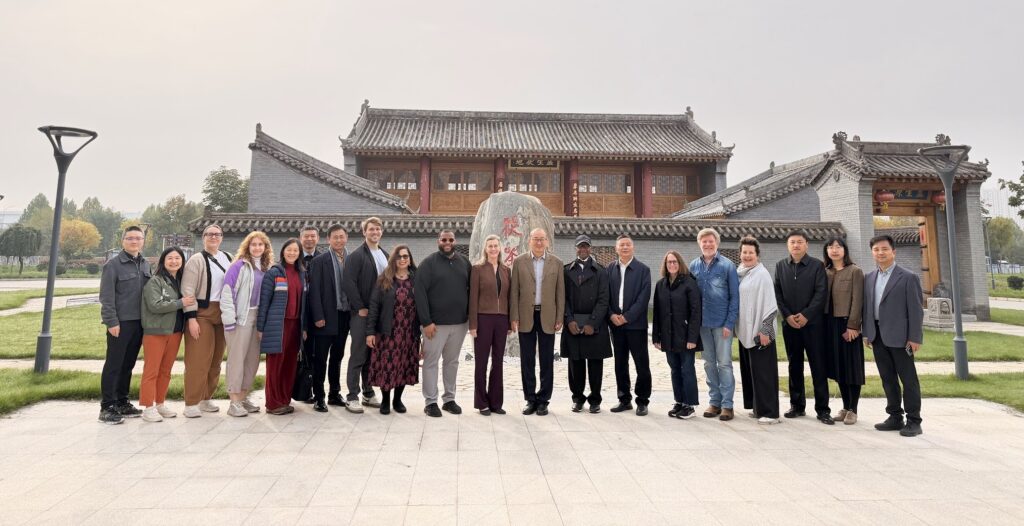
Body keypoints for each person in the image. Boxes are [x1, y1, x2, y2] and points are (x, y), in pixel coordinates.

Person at [862, 234, 924, 437]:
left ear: (893, 252)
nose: (880, 253)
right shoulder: (869, 278)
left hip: (901, 337)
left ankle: (914, 420)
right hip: (877, 335)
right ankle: (895, 416)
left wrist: (915, 337)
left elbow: (916, 310)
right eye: (876, 250)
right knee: (887, 378)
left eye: (884, 249)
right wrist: (866, 333)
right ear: (872, 253)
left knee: (908, 379)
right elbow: (867, 308)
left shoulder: (908, 277)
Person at [774, 229, 833, 424]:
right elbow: (778, 294)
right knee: (794, 365)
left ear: (806, 244)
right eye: (792, 242)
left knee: (818, 366)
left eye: (800, 242)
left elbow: (821, 293)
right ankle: (797, 405)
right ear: (787, 245)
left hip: (813, 325)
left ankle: (823, 409)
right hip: (790, 325)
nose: (796, 245)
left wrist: (806, 315)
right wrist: (787, 316)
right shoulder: (781, 266)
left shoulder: (817, 266)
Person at [415, 229, 472, 417]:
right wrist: (426, 321)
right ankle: (431, 402)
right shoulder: (428, 263)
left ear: (455, 241)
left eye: (450, 240)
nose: (447, 243)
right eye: (444, 240)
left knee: (452, 362)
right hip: (435, 325)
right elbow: (420, 293)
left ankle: (449, 399)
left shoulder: (464, 263)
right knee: (431, 362)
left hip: (460, 324)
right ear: (438, 241)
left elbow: (471, 290)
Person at [98, 226, 151, 424]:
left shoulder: (145, 264)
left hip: (140, 323)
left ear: (143, 241)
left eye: (138, 238)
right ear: (123, 241)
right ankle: (107, 406)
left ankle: (122, 401)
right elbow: (106, 297)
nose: (134, 241)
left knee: (128, 364)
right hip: (120, 324)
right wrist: (111, 321)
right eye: (130, 238)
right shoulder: (113, 265)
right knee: (114, 364)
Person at [510, 228, 564, 416]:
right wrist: (514, 316)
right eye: (535, 239)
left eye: (542, 239)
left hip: (548, 316)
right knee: (527, 359)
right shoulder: (519, 262)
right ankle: (530, 399)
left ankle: (543, 400)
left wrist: (559, 317)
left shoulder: (556, 263)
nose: (539, 242)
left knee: (547, 359)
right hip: (526, 315)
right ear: (529, 241)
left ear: (547, 241)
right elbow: (514, 291)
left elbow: (560, 293)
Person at [180, 224, 233, 418]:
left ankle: (206, 398)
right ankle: (191, 402)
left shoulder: (228, 257)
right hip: (202, 313)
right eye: (209, 234)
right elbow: (188, 290)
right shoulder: (196, 260)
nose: (213, 237)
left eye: (217, 234)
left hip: (223, 312)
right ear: (203, 237)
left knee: (216, 360)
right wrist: (191, 318)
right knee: (198, 359)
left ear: (222, 237)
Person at [689, 228, 740, 421]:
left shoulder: (727, 266)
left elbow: (735, 297)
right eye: (704, 241)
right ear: (699, 244)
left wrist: (729, 323)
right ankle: (714, 402)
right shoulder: (694, 266)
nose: (707, 244)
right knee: (709, 364)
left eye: (711, 241)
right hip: (702, 325)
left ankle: (727, 405)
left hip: (722, 325)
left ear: (717, 243)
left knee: (724, 364)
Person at [220, 231, 272, 417]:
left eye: (260, 245)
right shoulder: (238, 266)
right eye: (253, 244)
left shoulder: (267, 268)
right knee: (237, 360)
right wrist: (229, 321)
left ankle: (242, 398)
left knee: (252, 360)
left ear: (265, 248)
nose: (257, 248)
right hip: (240, 317)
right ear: (247, 247)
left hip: (258, 318)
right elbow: (227, 293)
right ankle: (234, 402)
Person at [139, 247, 193, 423]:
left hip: (175, 332)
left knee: (166, 371)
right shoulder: (155, 281)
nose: (174, 261)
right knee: (151, 371)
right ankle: (148, 407)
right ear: (163, 261)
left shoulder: (181, 281)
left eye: (178, 258)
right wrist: (180, 302)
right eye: (170, 258)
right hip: (156, 332)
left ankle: (160, 404)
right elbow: (155, 305)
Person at [366, 246, 421, 415]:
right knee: (387, 366)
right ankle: (385, 400)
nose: (402, 259)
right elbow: (374, 306)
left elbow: (424, 305)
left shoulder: (417, 279)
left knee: (404, 365)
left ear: (410, 259)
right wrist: (370, 332)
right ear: (393, 259)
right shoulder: (384, 279)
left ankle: (397, 400)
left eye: (406, 256)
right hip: (388, 331)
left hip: (409, 331)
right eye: (399, 256)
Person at [340, 217, 387, 412]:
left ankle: (368, 392)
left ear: (381, 232)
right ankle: (352, 396)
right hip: (362, 313)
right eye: (371, 229)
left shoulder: (385, 254)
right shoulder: (357, 256)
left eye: (377, 229)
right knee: (358, 354)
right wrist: (359, 306)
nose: (375, 232)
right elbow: (348, 282)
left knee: (372, 354)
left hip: (379, 313)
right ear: (364, 232)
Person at [561, 234, 612, 414]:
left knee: (595, 364)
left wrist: (593, 323)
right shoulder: (566, 270)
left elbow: (604, 299)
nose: (583, 249)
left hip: (594, 324)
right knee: (575, 364)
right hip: (573, 323)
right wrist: (569, 320)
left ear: (590, 248)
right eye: (580, 246)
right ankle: (577, 398)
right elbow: (563, 298)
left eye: (586, 246)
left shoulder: (601, 271)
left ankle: (595, 400)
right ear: (575, 248)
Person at [257, 238, 307, 415]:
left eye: (295, 250)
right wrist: (260, 328)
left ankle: (284, 399)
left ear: (299, 253)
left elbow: (305, 303)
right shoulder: (274, 272)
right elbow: (264, 302)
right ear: (283, 251)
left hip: (296, 325)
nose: (292, 253)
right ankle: (272, 403)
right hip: (278, 324)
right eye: (289, 249)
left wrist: (304, 328)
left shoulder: (302, 273)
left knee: (290, 363)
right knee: (275, 364)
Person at [735, 237, 781, 425]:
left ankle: (770, 412)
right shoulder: (740, 272)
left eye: (750, 253)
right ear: (740, 254)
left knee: (764, 373)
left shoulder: (762, 274)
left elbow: (770, 304)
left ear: (757, 255)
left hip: (761, 331)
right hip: (746, 329)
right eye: (744, 252)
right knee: (752, 372)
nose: (747, 256)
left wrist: (765, 330)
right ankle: (757, 408)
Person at [652, 250, 701, 420]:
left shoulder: (689, 283)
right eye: (669, 262)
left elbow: (696, 312)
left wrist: (692, 338)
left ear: (680, 264)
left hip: (685, 336)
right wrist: (656, 337)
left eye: (675, 262)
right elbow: (657, 313)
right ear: (665, 265)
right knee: (674, 370)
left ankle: (690, 405)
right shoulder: (661, 285)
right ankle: (679, 401)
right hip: (668, 336)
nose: (672, 264)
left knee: (687, 369)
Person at [307, 224, 352, 411]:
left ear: (346, 238)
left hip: (345, 315)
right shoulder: (320, 261)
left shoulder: (352, 259)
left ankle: (334, 393)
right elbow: (314, 292)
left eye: (342, 237)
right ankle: (319, 397)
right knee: (320, 358)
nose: (339, 240)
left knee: (337, 356)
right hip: (325, 317)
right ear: (328, 240)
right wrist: (318, 316)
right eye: (335, 237)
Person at [607, 234, 653, 416]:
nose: (625, 248)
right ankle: (624, 399)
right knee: (620, 364)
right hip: (615, 325)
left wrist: (626, 317)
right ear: (616, 248)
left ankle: (642, 401)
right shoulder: (609, 269)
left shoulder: (643, 270)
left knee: (641, 364)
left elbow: (643, 298)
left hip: (636, 325)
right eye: (621, 245)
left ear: (633, 247)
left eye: (627, 245)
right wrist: (611, 315)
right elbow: (605, 295)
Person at [824, 236, 866, 425]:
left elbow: (858, 299)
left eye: (838, 246)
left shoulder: (855, 271)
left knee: (851, 367)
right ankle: (845, 406)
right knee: (838, 367)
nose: (834, 250)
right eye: (830, 247)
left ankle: (853, 409)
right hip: (830, 324)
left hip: (847, 325)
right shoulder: (826, 272)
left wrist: (853, 325)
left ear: (845, 250)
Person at [469, 235, 512, 415]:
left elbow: (509, 297)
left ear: (500, 248)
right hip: (483, 318)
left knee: (498, 361)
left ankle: (496, 402)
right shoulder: (477, 269)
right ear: (485, 249)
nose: (493, 249)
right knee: (481, 361)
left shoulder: (506, 270)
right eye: (490, 246)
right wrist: (473, 324)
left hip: (501, 319)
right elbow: (473, 298)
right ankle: (481, 402)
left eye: (496, 246)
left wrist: (509, 322)